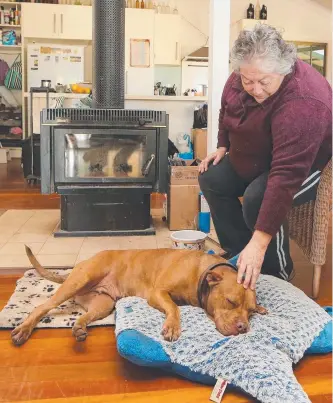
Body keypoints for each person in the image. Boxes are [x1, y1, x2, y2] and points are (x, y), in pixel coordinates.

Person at [198, 24, 332, 291]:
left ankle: (277, 271)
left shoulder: (304, 101)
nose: (255, 89)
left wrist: (259, 244)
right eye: (248, 81)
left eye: (263, 82)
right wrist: (222, 145)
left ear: (283, 69)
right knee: (211, 177)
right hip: (257, 157)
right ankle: (238, 253)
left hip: (304, 166)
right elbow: (227, 110)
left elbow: (285, 177)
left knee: (258, 197)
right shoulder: (242, 75)